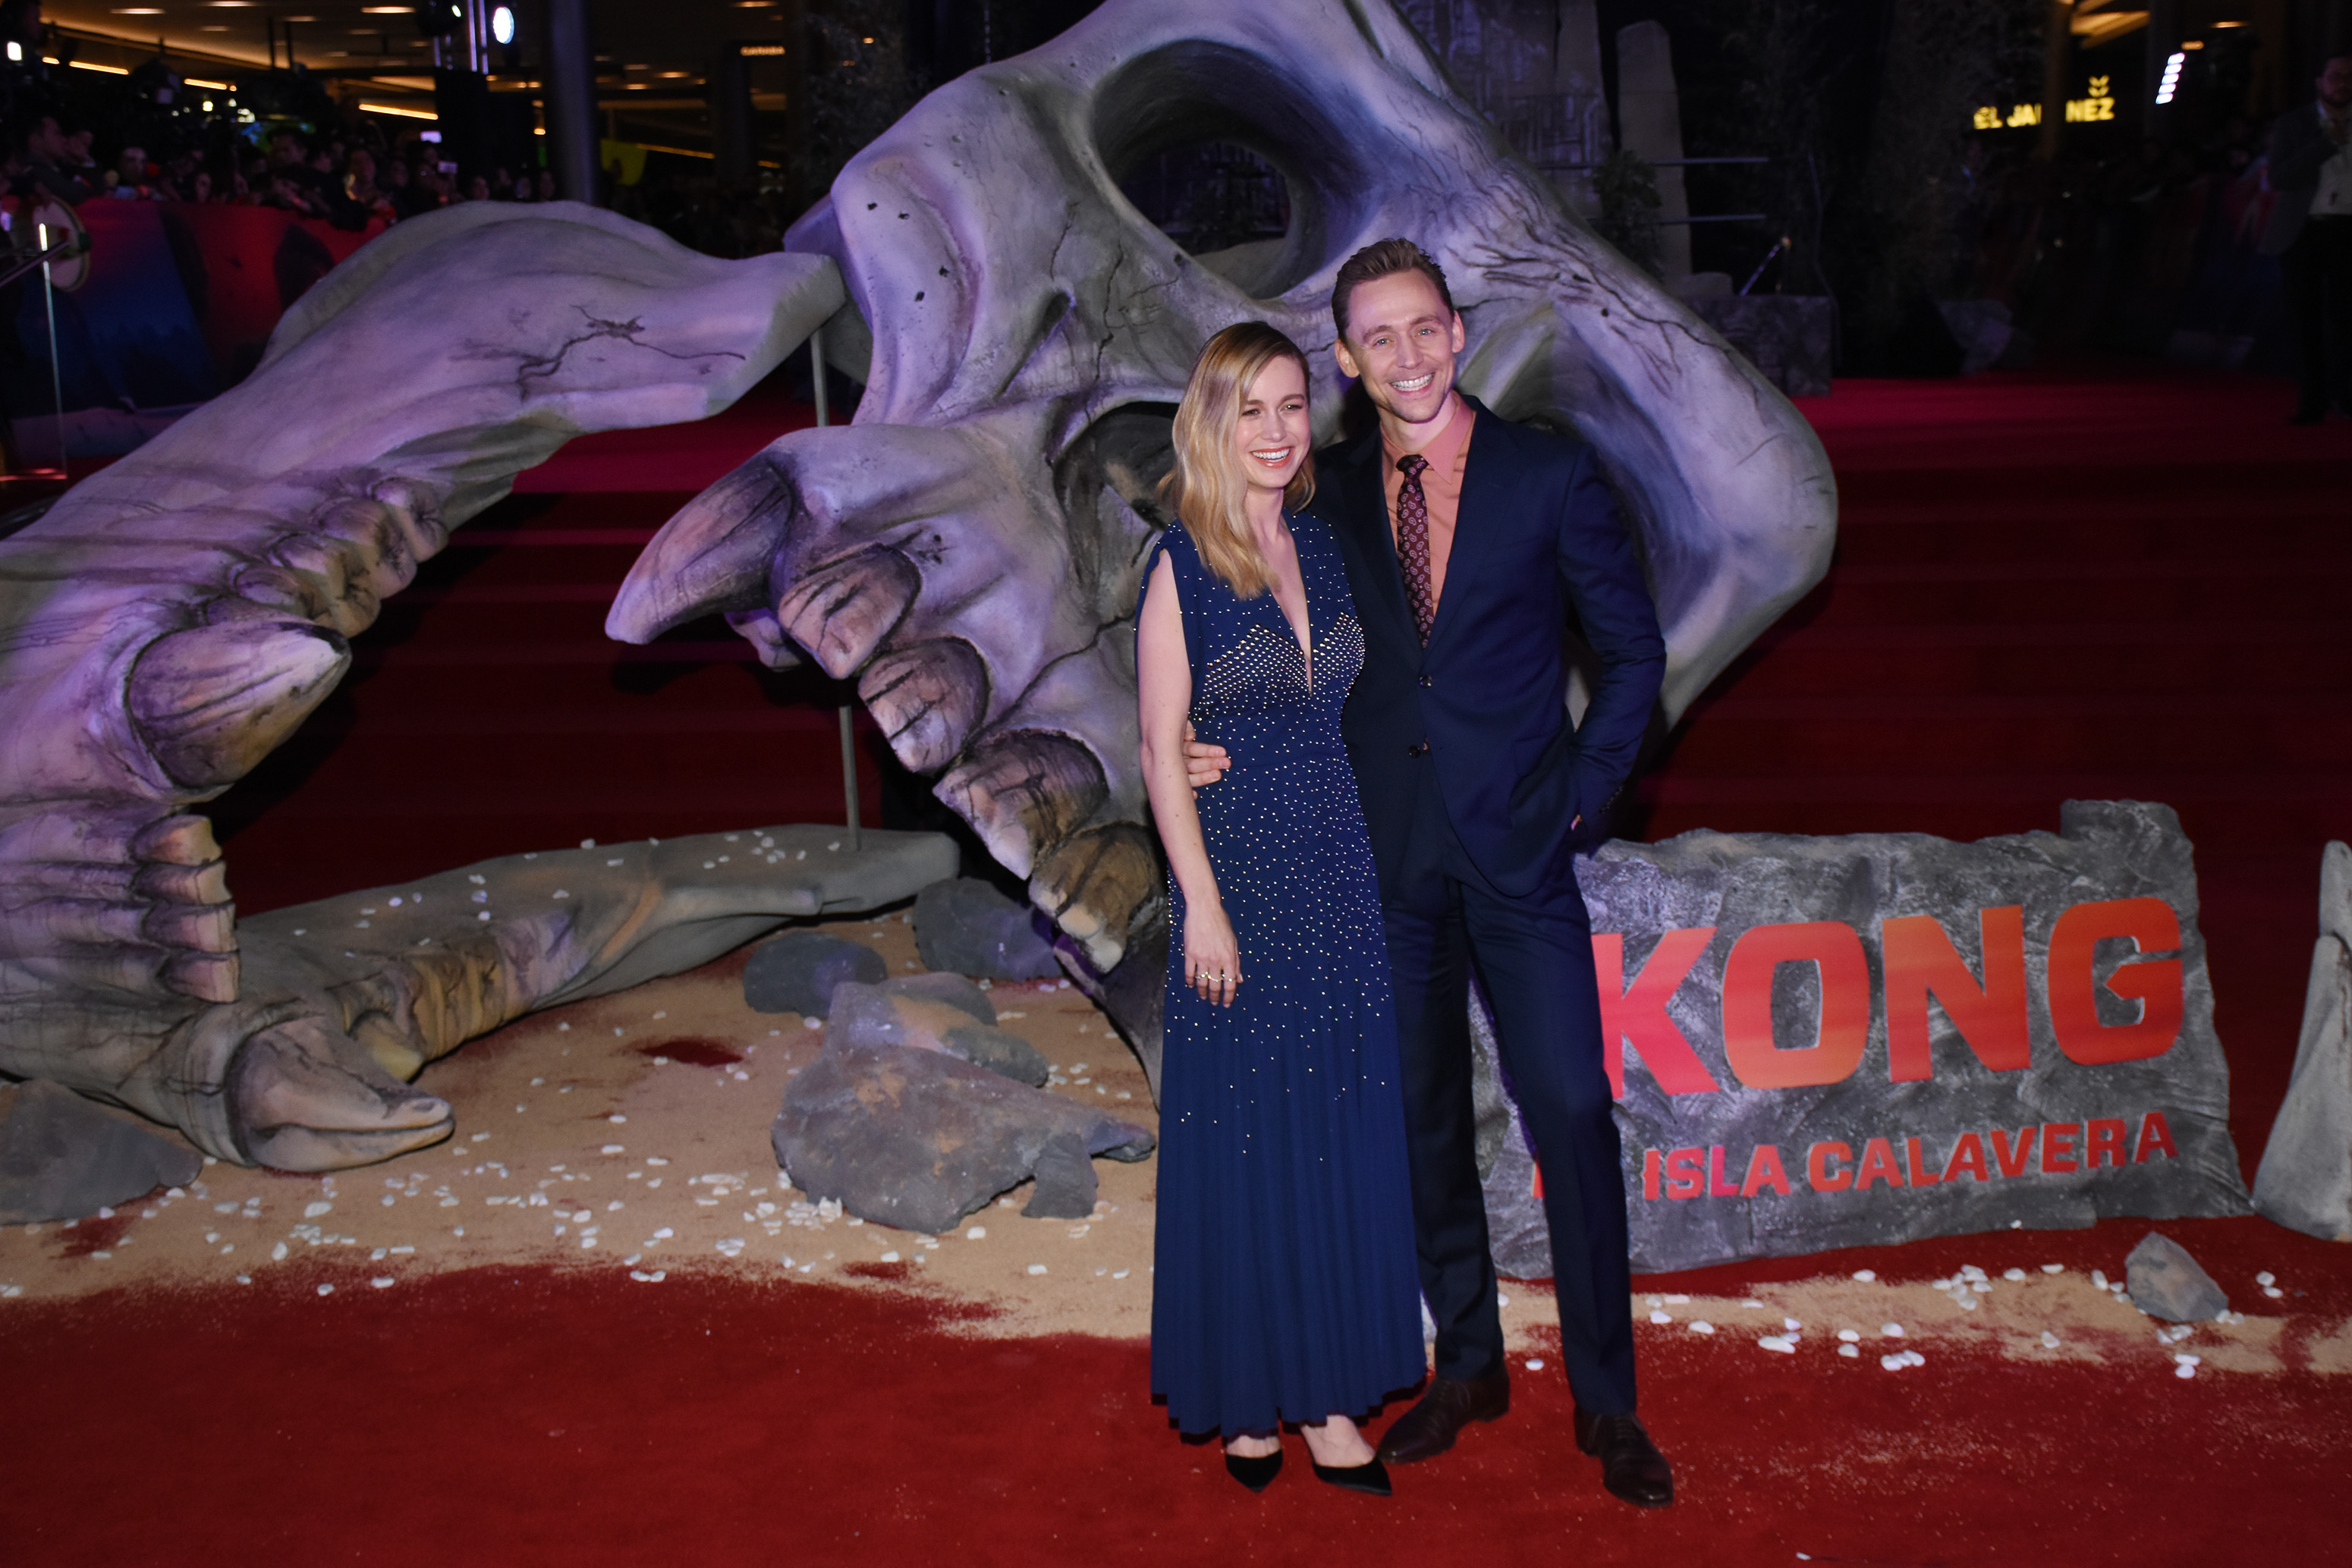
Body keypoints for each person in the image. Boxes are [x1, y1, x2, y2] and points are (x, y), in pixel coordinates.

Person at [1187, 240, 1674, 1507]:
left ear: (1458, 332)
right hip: (1378, 855)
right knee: (1417, 1118)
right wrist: (1200, 738)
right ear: (1347, 359)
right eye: (1376, 338)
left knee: (1571, 1106)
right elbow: (1260, 623)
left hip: (1521, 849)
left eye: (1424, 328)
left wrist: (1583, 793)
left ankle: (1609, 1399)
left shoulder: (1548, 473)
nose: (1405, 356)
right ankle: (1467, 1363)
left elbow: (1633, 653)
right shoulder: (1326, 492)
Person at [1137, 320, 1423, 1497]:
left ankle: (1323, 1392)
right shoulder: (1180, 561)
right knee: (1250, 1134)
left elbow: (1361, 695)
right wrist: (1199, 906)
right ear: (1209, 423)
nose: (1274, 429)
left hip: (1337, 866)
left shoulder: (1323, 543)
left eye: (1292, 404)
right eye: (1248, 408)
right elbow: (1158, 745)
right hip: (1239, 879)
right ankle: (1254, 1391)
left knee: (1329, 1128)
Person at [2262, 55, 2352, 423]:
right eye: (2336, 76)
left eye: (2349, 77)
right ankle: (2312, 401)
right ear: (2320, 81)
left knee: (2347, 319)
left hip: (2347, 229)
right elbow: (2279, 178)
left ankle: (2347, 397)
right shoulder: (2294, 124)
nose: (2342, 83)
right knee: (2304, 320)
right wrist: (2325, 143)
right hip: (2303, 230)